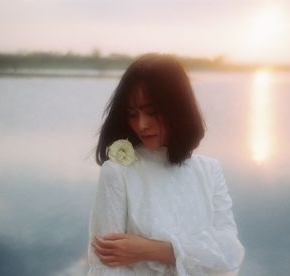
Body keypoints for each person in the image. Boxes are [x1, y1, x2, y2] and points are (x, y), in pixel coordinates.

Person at [88, 53, 245, 275]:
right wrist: (192, 255)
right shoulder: (117, 172)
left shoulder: (209, 171)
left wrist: (154, 250)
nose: (141, 125)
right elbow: (104, 267)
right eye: (132, 114)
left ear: (177, 108)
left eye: (152, 112)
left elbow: (230, 253)